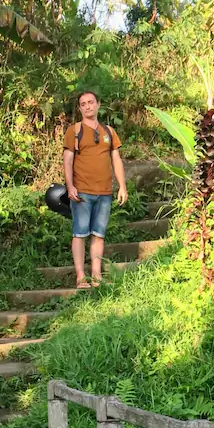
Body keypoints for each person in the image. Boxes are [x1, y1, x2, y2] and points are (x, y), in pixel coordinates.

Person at [63, 91, 128, 288]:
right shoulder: (74, 131)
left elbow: (116, 160)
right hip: (82, 192)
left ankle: (97, 275)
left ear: (99, 104)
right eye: (83, 104)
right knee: (80, 234)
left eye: (91, 102)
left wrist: (122, 186)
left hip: (105, 192)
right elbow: (67, 161)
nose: (87, 106)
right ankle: (81, 277)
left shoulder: (109, 131)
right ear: (79, 108)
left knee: (99, 235)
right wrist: (70, 186)